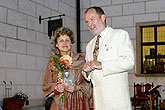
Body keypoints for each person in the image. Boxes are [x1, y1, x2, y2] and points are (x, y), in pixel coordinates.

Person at [82, 6, 135, 110]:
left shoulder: (120, 35)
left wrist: (102, 65)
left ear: (103, 18)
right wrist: (86, 71)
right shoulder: (89, 45)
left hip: (117, 102)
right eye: (87, 22)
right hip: (99, 101)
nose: (89, 24)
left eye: (92, 19)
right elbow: (89, 76)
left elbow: (129, 61)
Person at [42, 27, 93, 110]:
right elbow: (46, 84)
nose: (64, 43)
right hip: (59, 103)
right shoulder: (52, 63)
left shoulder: (81, 60)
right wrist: (56, 87)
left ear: (71, 42)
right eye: (61, 40)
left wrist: (78, 87)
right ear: (56, 44)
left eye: (67, 40)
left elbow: (90, 82)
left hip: (79, 101)